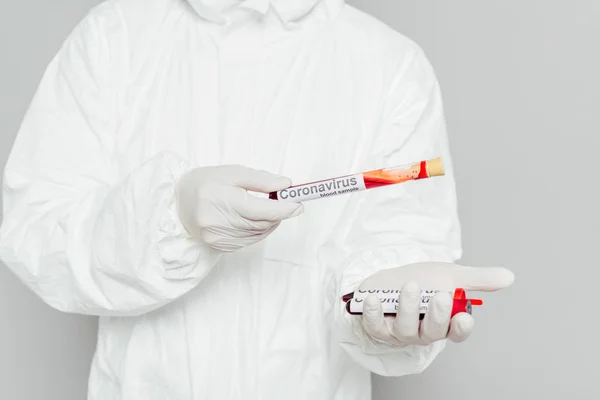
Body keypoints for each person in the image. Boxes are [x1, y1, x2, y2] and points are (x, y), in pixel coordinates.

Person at [0, 0, 515, 399]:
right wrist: (169, 218)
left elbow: (403, 248)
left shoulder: (391, 65)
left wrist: (385, 300)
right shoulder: (114, 36)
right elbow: (36, 233)